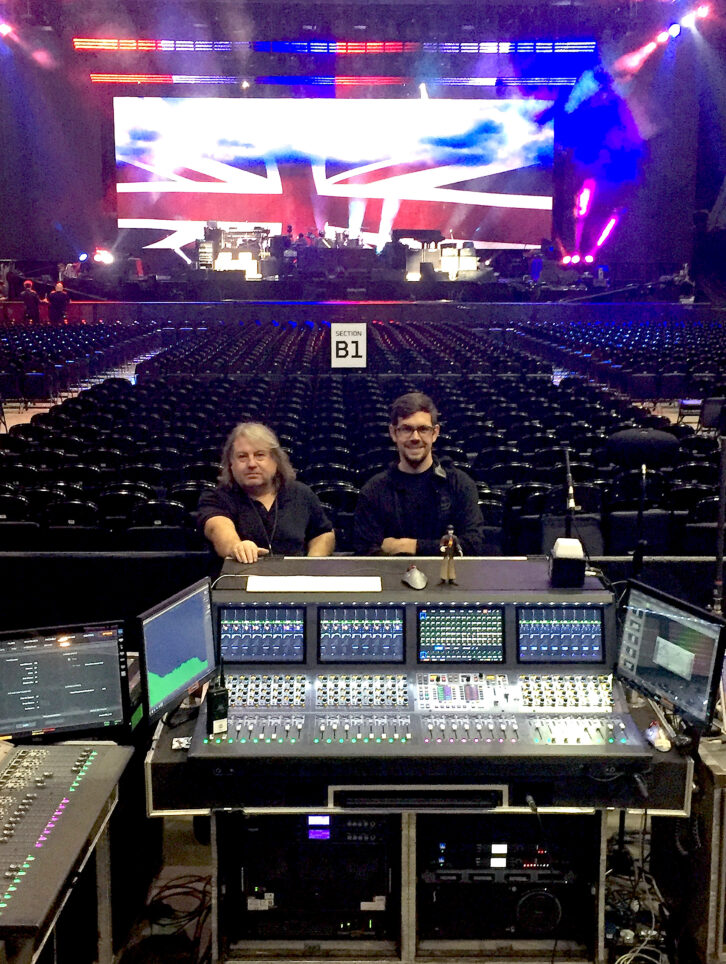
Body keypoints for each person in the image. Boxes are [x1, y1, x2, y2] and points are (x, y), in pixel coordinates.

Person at [353, 392, 486, 556]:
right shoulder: (373, 490)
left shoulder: (460, 484)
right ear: (394, 433)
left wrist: (411, 546)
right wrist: (438, 547)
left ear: (435, 433)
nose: (415, 437)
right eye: (406, 429)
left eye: (423, 429)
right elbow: (365, 553)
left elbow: (472, 545)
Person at [197, 422, 335, 563]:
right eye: (242, 456)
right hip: (239, 580)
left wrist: (311, 564)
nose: (251, 464)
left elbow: (323, 533)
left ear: (275, 461)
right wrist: (237, 547)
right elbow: (217, 529)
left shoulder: (301, 494)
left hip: (294, 581)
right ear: (231, 464)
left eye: (260, 455)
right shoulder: (216, 497)